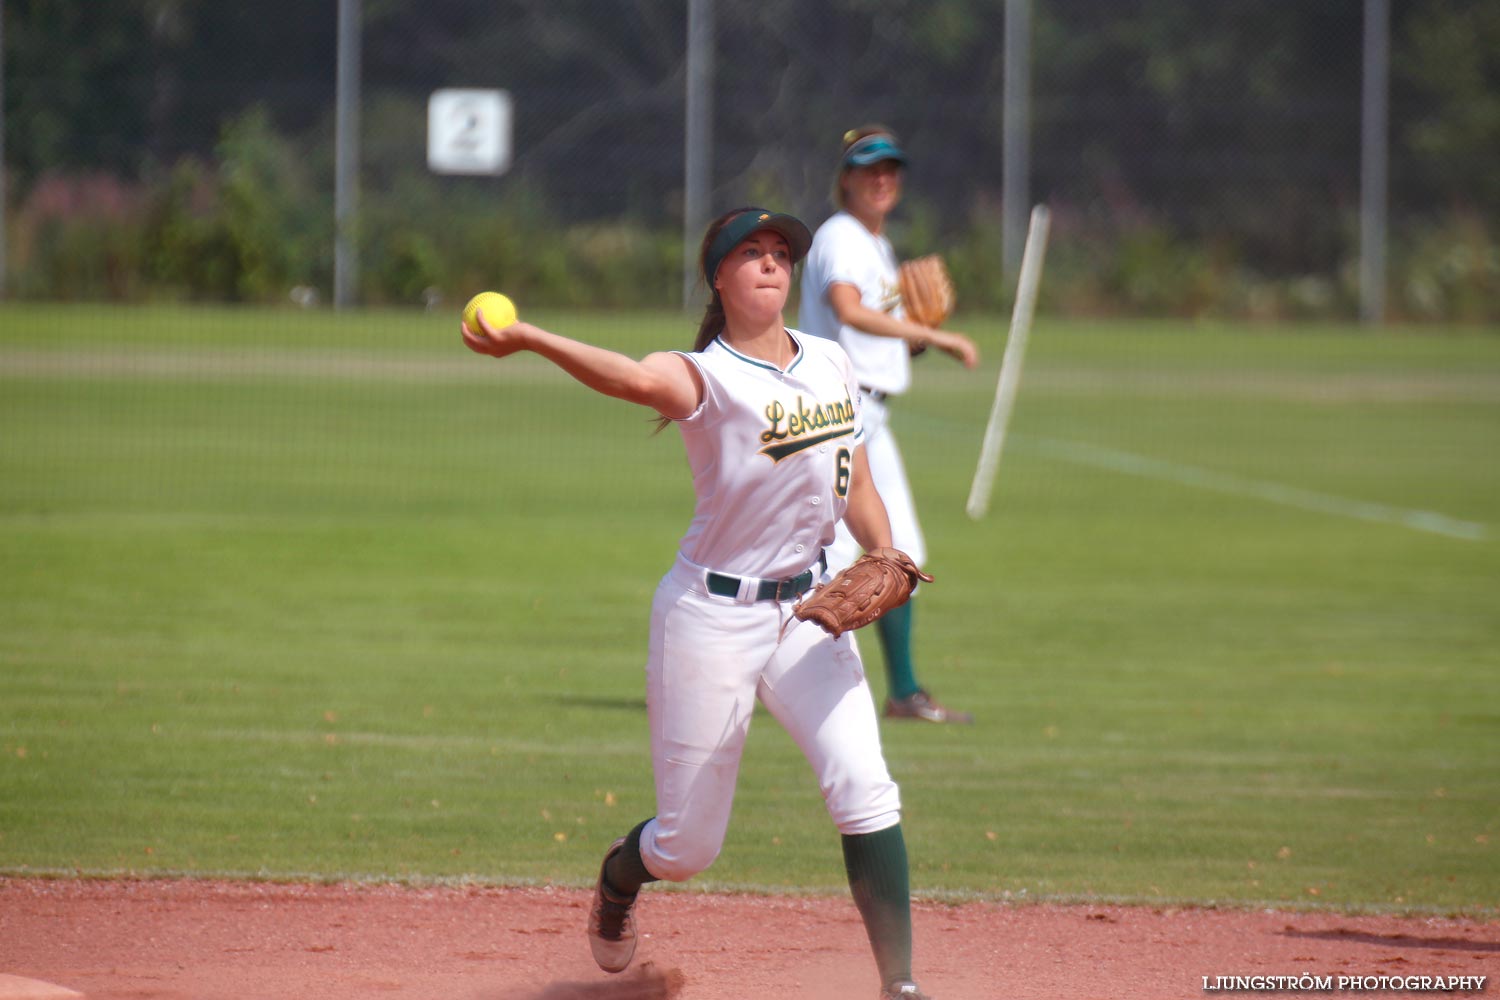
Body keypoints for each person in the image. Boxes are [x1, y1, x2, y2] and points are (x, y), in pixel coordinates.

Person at [462, 207, 935, 1000]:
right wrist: (532, 339)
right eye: (750, 252)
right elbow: (632, 378)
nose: (770, 263)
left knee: (864, 785)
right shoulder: (706, 374)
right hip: (711, 618)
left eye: (780, 252)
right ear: (718, 276)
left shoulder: (828, 361)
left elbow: (854, 469)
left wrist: (883, 550)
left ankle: (901, 986)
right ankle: (619, 881)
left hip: (807, 614)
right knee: (687, 847)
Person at [799, 125, 979, 726]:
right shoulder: (842, 236)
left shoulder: (875, 243)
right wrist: (932, 334)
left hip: (868, 413)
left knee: (899, 552)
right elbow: (849, 311)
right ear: (845, 178)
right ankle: (765, 675)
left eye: (892, 169)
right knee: (826, 555)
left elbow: (864, 329)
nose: (882, 179)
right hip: (836, 415)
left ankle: (903, 692)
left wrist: (909, 346)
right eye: (868, 168)